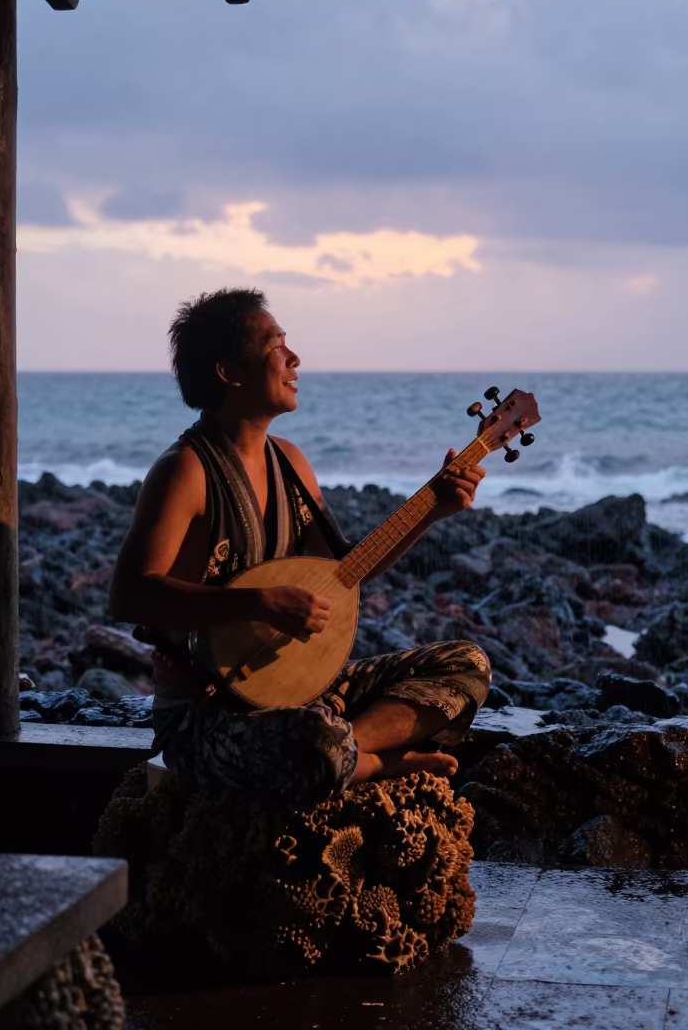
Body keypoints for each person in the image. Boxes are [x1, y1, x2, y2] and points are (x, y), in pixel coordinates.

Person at [110, 288, 492, 805]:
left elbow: (344, 569)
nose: (295, 359)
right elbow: (130, 595)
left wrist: (433, 508)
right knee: (312, 741)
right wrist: (255, 602)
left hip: (300, 694)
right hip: (205, 716)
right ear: (230, 372)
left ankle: (348, 750)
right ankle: (368, 759)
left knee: (467, 663)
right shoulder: (185, 470)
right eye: (276, 347)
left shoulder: (290, 462)